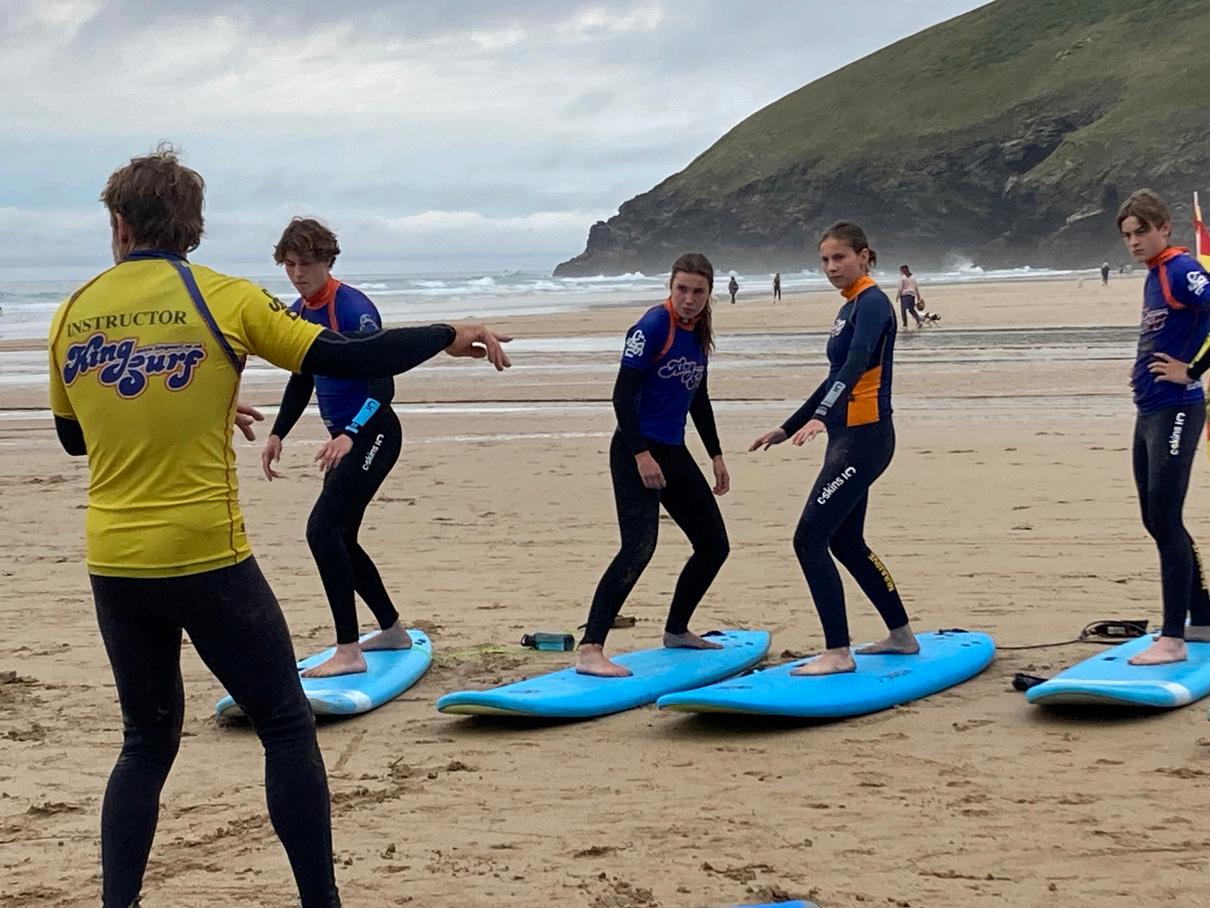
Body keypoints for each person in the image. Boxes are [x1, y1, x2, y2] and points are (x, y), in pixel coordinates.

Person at [46, 145, 510, 908]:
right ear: (193, 228)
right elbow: (347, 355)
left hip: (115, 564)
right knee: (286, 726)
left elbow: (75, 437)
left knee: (145, 742)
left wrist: (183, 396)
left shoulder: (72, 311)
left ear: (120, 224)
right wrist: (445, 331)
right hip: (206, 557)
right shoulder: (225, 299)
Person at [750, 222, 915, 676]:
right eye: (824, 260)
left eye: (839, 257)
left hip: (865, 438)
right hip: (846, 438)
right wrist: (788, 426)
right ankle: (901, 635)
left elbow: (857, 363)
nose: (830, 267)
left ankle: (838, 651)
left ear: (864, 256)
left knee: (809, 539)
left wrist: (823, 416)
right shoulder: (849, 307)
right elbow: (834, 377)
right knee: (845, 540)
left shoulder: (874, 302)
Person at [260, 219, 411, 678]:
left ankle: (349, 650)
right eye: (290, 264)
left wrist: (350, 433)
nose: (297, 274)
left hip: (374, 433)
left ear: (327, 260)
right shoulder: (298, 313)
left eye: (306, 263)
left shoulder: (353, 310)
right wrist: (278, 432)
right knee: (340, 537)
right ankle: (392, 630)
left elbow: (382, 385)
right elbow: (301, 378)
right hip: (345, 441)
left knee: (322, 531)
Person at [576, 252, 731, 677]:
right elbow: (621, 396)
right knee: (638, 548)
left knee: (714, 544)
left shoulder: (699, 330)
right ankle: (590, 648)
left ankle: (677, 630)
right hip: (635, 451)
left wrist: (716, 454)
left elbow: (698, 397)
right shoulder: (652, 327)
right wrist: (641, 455)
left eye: (698, 291)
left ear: (709, 293)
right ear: (670, 287)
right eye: (682, 289)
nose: (689, 299)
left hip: (674, 451)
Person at [1114, 188, 1210, 665]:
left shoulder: (1180, 269)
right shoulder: (1155, 274)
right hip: (1150, 410)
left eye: (1142, 232)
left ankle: (1173, 638)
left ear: (1165, 228)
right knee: (1155, 519)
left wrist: (1192, 370)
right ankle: (1203, 618)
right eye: (1127, 235)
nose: (1134, 242)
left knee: (1167, 519)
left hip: (1177, 409)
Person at [895, 264, 924, 329]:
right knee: (911, 309)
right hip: (912, 295)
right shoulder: (913, 277)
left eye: (901, 270)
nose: (900, 272)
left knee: (903, 310)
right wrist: (918, 295)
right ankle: (919, 321)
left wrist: (897, 296)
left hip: (904, 295)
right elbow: (916, 287)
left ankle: (905, 325)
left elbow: (900, 288)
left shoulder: (902, 278)